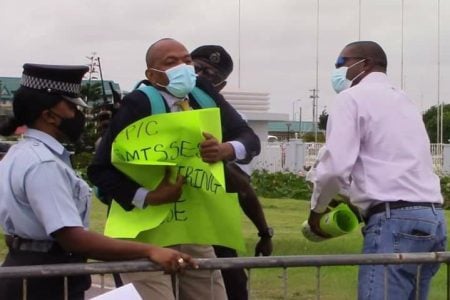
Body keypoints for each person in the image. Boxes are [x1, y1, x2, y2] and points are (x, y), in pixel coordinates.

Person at [0, 63, 197, 300]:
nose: (79, 115)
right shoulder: (44, 164)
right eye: (73, 107)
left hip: (27, 269)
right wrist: (151, 250)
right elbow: (73, 238)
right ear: (49, 116)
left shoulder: (20, 153)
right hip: (45, 281)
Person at [88, 38, 261, 300]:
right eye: (171, 62)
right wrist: (149, 196)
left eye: (186, 60)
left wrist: (227, 149)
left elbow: (248, 138)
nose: (183, 67)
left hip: (193, 229)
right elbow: (99, 170)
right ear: (151, 74)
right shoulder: (138, 103)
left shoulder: (202, 93)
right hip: (143, 235)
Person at [307, 41, 447, 299]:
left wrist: (317, 211)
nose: (338, 70)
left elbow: (334, 169)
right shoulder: (404, 100)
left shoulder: (350, 99)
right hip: (432, 219)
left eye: (342, 63)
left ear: (365, 63)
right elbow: (390, 167)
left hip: (393, 220)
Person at [191, 44, 273, 300]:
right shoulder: (153, 101)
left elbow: (243, 184)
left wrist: (223, 153)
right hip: (164, 225)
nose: (202, 77)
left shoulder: (224, 117)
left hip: (213, 226)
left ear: (220, 86)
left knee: (233, 286)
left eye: (211, 75)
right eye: (197, 69)